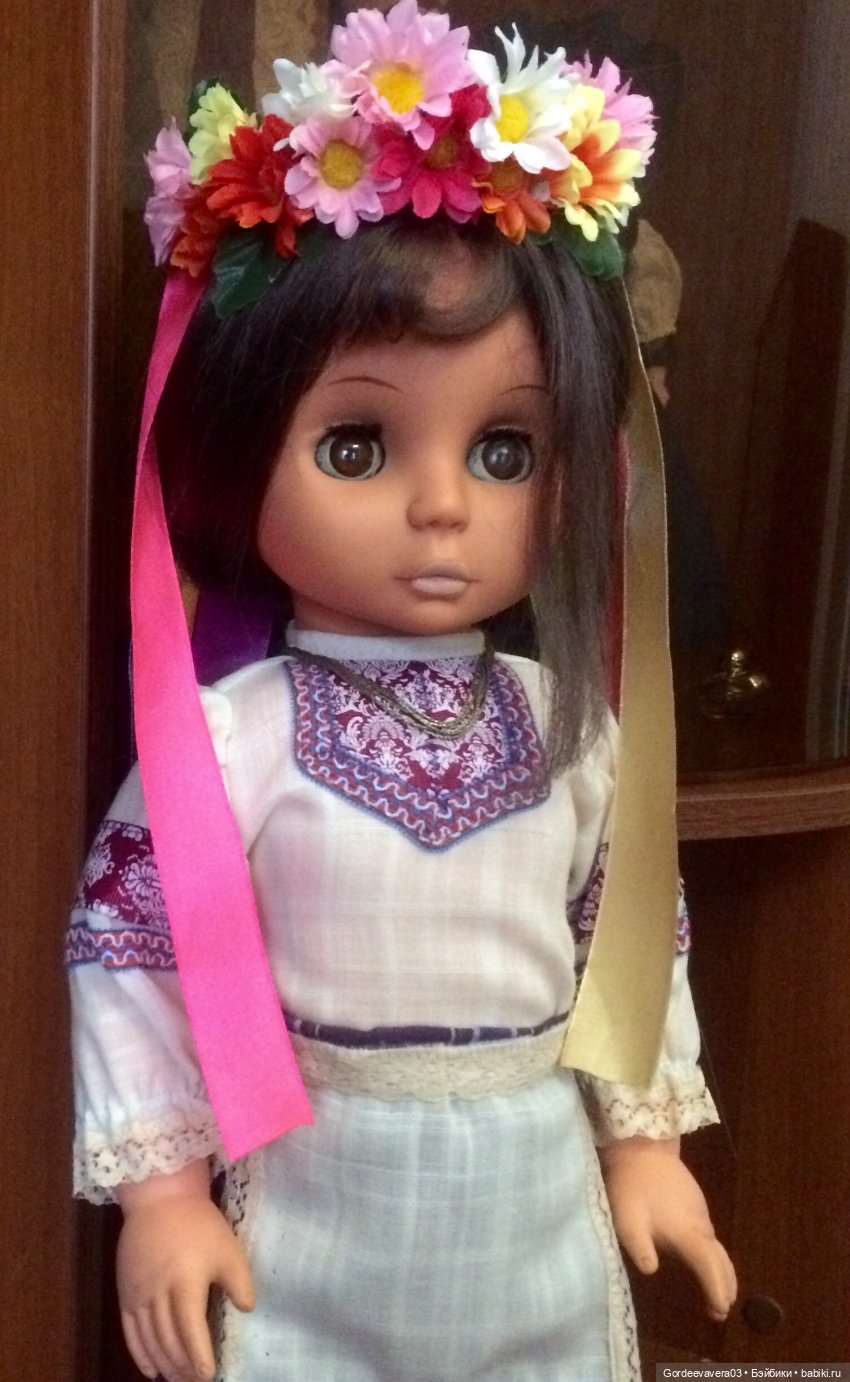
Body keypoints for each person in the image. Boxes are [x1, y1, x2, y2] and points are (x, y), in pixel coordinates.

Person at [66, 6, 736, 1379]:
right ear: (234, 452)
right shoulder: (231, 738)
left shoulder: (568, 729)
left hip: (535, 1195)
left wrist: (647, 1144)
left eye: (506, 452)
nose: (442, 507)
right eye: (357, 446)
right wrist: (164, 1192)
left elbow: (625, 933)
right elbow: (133, 944)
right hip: (318, 1193)